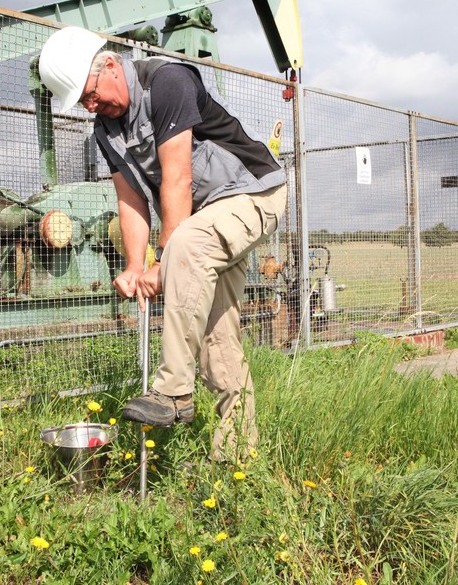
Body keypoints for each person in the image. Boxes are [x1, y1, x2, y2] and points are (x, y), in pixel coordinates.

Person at [38, 26, 287, 461]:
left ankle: (173, 393)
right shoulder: (106, 130)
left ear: (111, 65)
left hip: (252, 193)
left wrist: (164, 263)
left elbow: (177, 181)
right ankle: (238, 459)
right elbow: (131, 199)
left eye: (90, 94)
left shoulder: (167, 82)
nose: (90, 106)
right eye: (82, 102)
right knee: (213, 336)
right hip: (207, 219)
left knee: (186, 245)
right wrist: (136, 265)